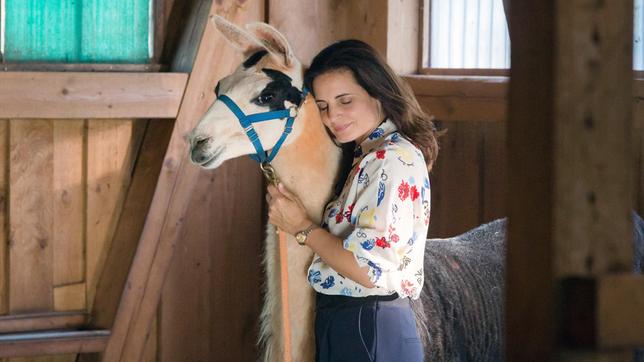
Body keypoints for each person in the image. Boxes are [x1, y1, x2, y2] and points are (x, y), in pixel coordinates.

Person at [266, 39, 439, 362]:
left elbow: (366, 269)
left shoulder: (389, 161)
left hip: (366, 325)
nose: (333, 116)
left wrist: (300, 226)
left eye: (345, 101)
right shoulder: (370, 156)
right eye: (322, 106)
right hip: (360, 324)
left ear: (378, 93)